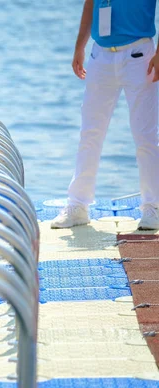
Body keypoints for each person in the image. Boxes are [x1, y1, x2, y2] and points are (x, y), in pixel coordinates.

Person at [51, 0, 159, 230]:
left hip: (140, 56)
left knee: (145, 136)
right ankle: (78, 206)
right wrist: (79, 45)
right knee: (90, 133)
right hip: (100, 56)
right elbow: (90, 3)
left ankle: (153, 207)